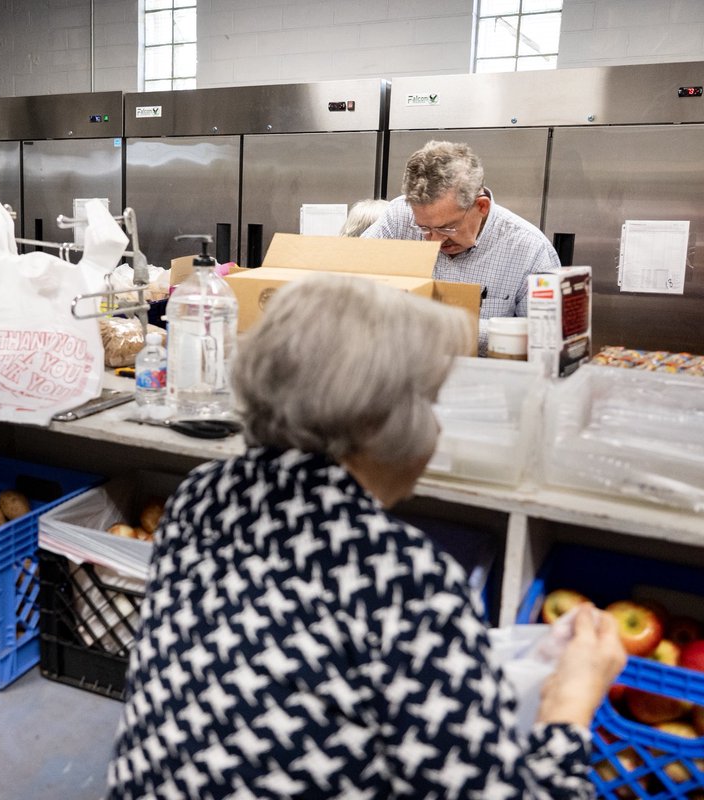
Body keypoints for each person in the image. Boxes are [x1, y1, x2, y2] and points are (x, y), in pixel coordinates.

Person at [107, 274, 626, 799]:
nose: (438, 427)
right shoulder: (404, 576)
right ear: (381, 423)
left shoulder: (203, 495)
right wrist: (570, 705)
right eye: (430, 401)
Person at [361, 140, 560, 355]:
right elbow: (347, 280)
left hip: (485, 382)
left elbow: (548, 339)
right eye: (424, 228)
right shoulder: (399, 217)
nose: (434, 242)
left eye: (448, 228)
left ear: (481, 206)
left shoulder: (530, 249)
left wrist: (451, 328)